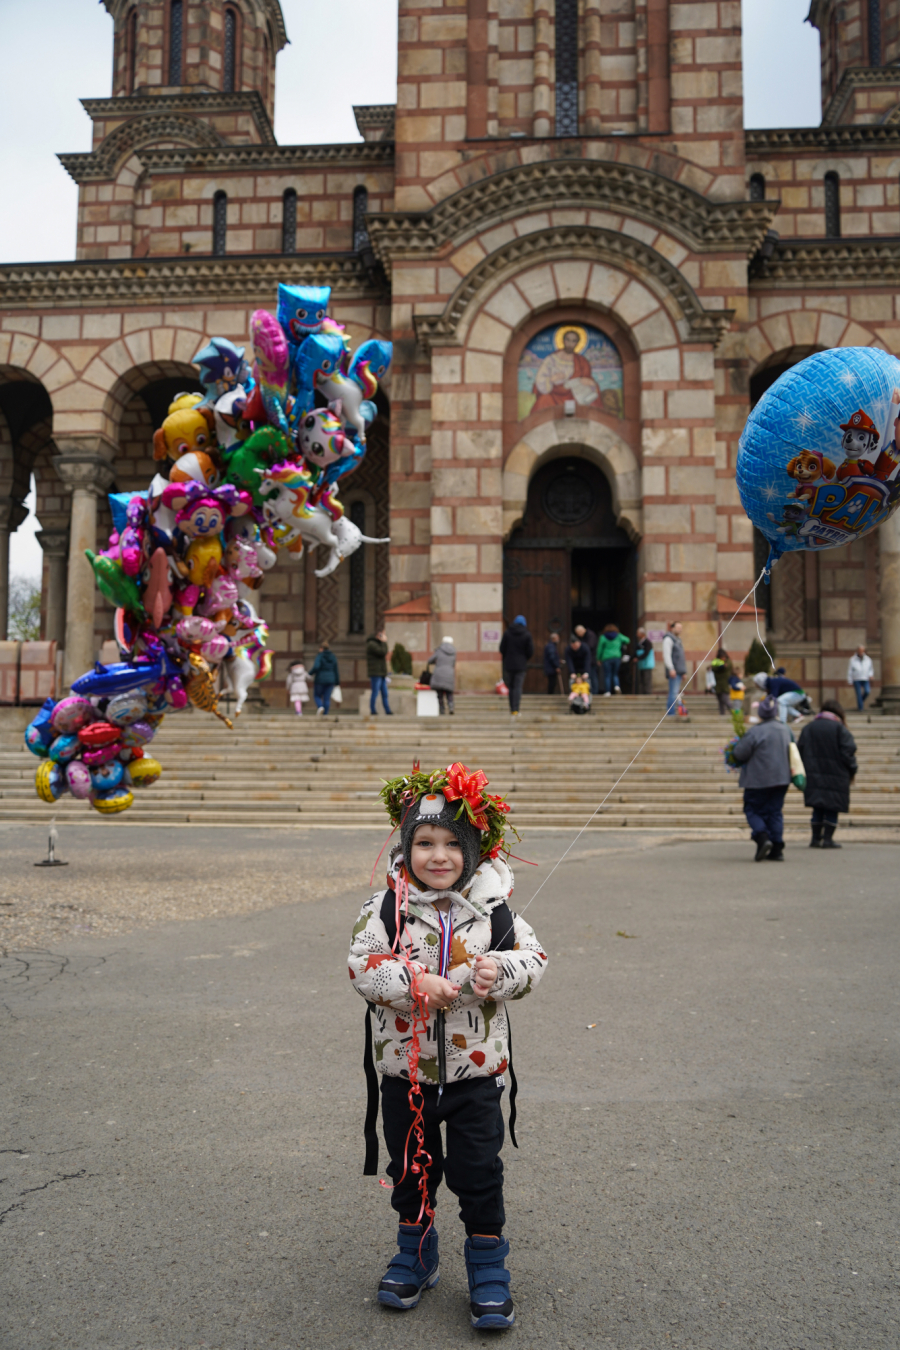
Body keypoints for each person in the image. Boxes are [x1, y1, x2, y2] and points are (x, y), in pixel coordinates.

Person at [348, 773, 547, 1328]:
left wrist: (499, 969)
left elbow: (535, 960)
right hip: (403, 1075)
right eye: (425, 842)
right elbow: (362, 966)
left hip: (476, 1073)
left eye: (453, 843)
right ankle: (416, 1249)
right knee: (411, 1167)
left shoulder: (495, 910)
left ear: (476, 849)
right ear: (405, 847)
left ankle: (488, 1261)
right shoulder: (385, 908)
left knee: (478, 1169)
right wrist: (413, 983)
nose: (439, 855)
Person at [730, 693, 794, 861]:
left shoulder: (755, 732)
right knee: (775, 812)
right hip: (781, 778)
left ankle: (762, 836)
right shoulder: (785, 729)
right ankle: (777, 847)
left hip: (758, 780)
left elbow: (739, 753)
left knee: (752, 809)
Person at [798, 700, 858, 848]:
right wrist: (853, 769)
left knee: (817, 806)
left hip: (813, 774)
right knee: (832, 807)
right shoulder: (840, 729)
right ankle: (828, 839)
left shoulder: (809, 728)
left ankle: (815, 838)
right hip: (836, 775)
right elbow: (848, 752)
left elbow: (800, 750)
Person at [499, 615, 533, 716]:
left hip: (509, 664)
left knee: (511, 687)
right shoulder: (527, 634)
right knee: (518, 687)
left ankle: (511, 708)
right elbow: (530, 651)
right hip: (521, 665)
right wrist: (524, 658)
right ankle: (516, 709)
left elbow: (501, 648)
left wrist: (507, 657)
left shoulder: (507, 633)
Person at [596, 623, 630, 696]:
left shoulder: (603, 637)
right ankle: (617, 686)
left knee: (607, 675)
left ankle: (608, 691)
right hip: (616, 657)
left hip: (606, 657)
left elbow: (600, 649)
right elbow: (627, 640)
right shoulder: (618, 635)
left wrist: (598, 658)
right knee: (615, 674)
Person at [662, 621, 687, 716]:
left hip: (679, 671)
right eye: (677, 627)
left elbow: (681, 657)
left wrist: (683, 671)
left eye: (681, 627)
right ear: (672, 628)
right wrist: (671, 668)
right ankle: (671, 713)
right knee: (673, 692)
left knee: (675, 692)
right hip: (674, 671)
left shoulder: (678, 640)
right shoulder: (668, 639)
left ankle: (672, 712)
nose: (680, 629)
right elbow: (667, 655)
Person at [366, 628, 393, 716]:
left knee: (385, 693)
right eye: (382, 635)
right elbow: (383, 652)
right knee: (375, 692)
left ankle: (387, 710)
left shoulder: (377, 644)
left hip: (381, 672)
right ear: (378, 635)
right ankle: (373, 710)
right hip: (375, 672)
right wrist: (384, 642)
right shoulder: (371, 644)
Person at [428, 636, 457, 715]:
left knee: (439, 693)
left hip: (439, 673)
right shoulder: (454, 652)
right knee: (449, 692)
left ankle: (442, 709)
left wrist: (437, 662)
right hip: (449, 673)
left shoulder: (439, 650)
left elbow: (430, 660)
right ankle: (451, 707)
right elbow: (453, 663)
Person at [311, 641, 339, 716]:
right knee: (327, 698)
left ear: (321, 648)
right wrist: (337, 682)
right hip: (331, 680)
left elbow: (316, 666)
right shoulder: (333, 656)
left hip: (320, 679)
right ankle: (325, 714)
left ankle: (320, 707)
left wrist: (310, 673)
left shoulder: (320, 656)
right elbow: (336, 669)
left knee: (317, 695)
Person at [573, 624, 600, 694]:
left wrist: (581, 647)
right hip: (585, 661)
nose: (578, 635)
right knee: (587, 677)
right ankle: (587, 691)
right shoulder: (584, 637)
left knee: (592, 676)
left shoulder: (591, 635)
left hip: (592, 660)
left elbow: (590, 646)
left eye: (578, 633)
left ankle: (594, 692)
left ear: (581, 631)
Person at [847, 645, 874, 711]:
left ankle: (860, 701)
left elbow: (870, 669)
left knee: (867, 691)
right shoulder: (852, 659)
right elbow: (850, 670)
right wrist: (850, 680)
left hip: (865, 678)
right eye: (860, 651)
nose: (861, 652)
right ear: (857, 651)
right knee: (858, 693)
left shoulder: (868, 659)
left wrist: (870, 675)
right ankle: (860, 708)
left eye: (862, 651)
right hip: (856, 678)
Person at [711, 647, 733, 717]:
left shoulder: (728, 661)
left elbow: (727, 667)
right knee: (720, 701)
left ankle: (735, 713)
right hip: (718, 684)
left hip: (725, 684)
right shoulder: (716, 661)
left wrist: (722, 666)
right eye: (721, 657)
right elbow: (713, 667)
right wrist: (719, 666)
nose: (723, 659)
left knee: (725, 700)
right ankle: (722, 715)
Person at [633, 628, 654, 696]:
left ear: (641, 634)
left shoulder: (647, 642)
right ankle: (641, 693)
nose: (636, 635)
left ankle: (648, 693)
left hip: (647, 664)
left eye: (638, 633)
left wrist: (638, 658)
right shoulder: (640, 643)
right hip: (641, 664)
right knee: (641, 680)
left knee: (647, 680)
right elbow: (635, 652)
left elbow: (646, 652)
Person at [542, 631, 562, 695]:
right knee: (552, 683)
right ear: (553, 638)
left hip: (550, 668)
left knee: (552, 682)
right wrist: (556, 666)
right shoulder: (551, 646)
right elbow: (552, 657)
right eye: (557, 638)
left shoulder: (552, 646)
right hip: (551, 668)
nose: (558, 639)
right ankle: (550, 696)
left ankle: (550, 695)